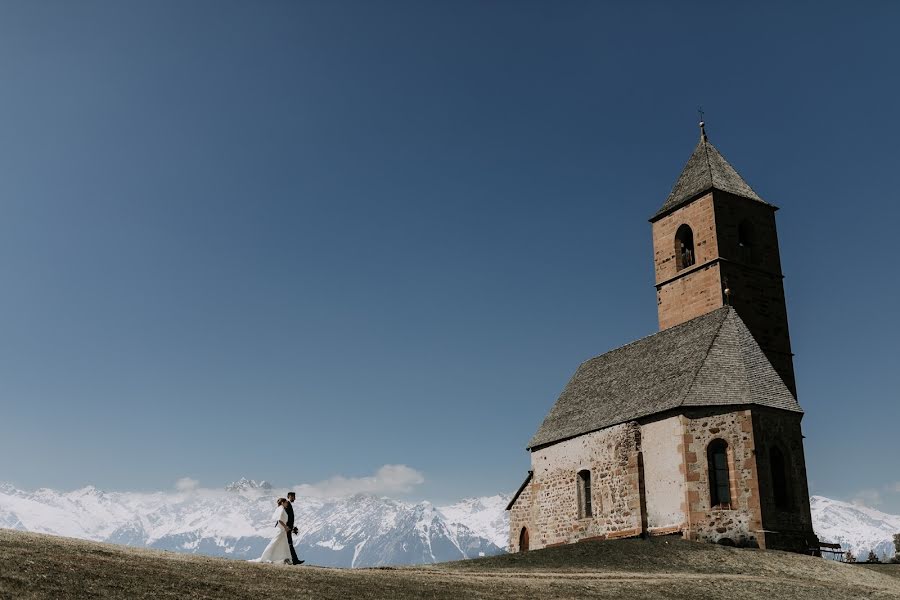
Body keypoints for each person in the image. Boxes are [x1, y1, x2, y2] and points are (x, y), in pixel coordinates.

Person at [253, 498, 296, 564]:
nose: (287, 504)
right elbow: (279, 520)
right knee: (275, 542)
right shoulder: (281, 509)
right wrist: (285, 527)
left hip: (283, 529)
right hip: (281, 529)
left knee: (283, 543)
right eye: (286, 502)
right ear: (282, 503)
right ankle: (266, 557)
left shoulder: (282, 509)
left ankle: (285, 558)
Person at [283, 492, 304, 565]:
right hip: (287, 528)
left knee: (289, 544)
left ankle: (293, 559)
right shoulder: (287, 504)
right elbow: (286, 516)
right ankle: (294, 560)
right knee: (290, 544)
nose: (294, 498)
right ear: (289, 496)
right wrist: (287, 527)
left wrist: (292, 527)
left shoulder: (288, 504)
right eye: (293, 497)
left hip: (288, 528)